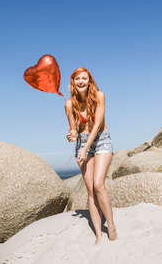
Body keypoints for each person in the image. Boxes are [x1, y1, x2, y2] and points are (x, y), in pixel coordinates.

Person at [64, 67, 117, 244]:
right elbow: (74, 129)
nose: (81, 81)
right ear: (73, 82)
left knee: (99, 184)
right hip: (82, 143)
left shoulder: (99, 96)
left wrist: (86, 147)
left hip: (101, 139)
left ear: (89, 81)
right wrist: (72, 134)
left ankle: (110, 225)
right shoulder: (69, 104)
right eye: (77, 78)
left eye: (84, 78)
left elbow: (97, 125)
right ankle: (98, 233)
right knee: (90, 191)